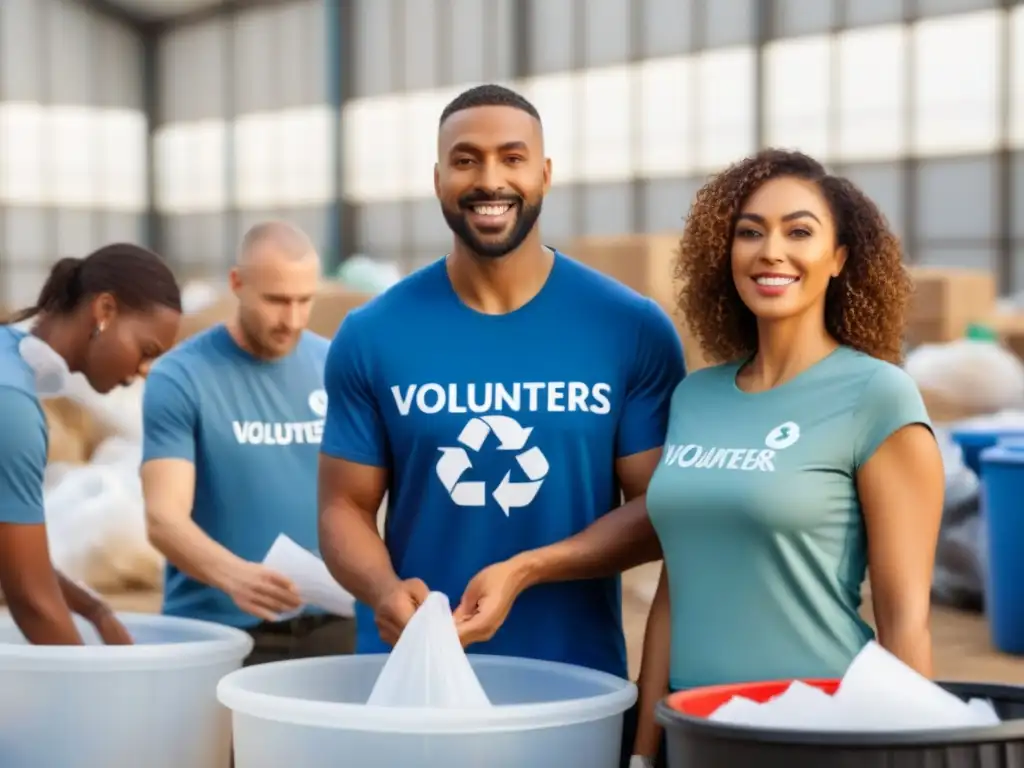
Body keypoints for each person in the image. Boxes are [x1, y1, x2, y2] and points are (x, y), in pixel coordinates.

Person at [454, 149, 944, 768]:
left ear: (839, 258)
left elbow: (906, 620)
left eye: (799, 231)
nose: (770, 250)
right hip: (695, 727)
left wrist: (922, 755)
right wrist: (643, 748)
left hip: (820, 727)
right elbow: (674, 589)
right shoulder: (697, 396)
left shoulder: (877, 396)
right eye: (749, 232)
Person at [317, 83, 683, 695]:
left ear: (544, 173)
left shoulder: (631, 327)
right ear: (437, 179)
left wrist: (530, 568)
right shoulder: (372, 334)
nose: (490, 180)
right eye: (466, 160)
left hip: (574, 679)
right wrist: (381, 587)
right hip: (417, 674)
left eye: (512, 159)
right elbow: (342, 506)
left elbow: (659, 510)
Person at [141, 221, 355, 665]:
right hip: (218, 627)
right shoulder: (180, 377)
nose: (292, 319)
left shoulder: (335, 364)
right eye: (276, 301)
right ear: (237, 284)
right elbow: (163, 518)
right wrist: (234, 576)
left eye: (304, 300)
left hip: (331, 621)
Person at [0, 244, 182, 645]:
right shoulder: (11, 404)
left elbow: (12, 557)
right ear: (104, 311)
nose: (145, 371)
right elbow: (31, 598)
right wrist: (97, 692)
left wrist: (92, 609)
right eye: (146, 350)